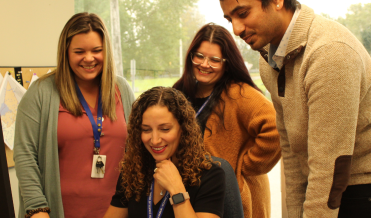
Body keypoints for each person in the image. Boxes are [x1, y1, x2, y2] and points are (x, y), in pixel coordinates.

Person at [220, 0, 371, 217]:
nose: (236, 29)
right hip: (322, 185)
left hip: (358, 191)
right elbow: (291, 152)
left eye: (243, 13)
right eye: (229, 19)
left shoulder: (330, 53)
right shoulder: (269, 58)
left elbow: (329, 170)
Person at [13, 12, 135, 218]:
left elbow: (137, 149)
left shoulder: (121, 88)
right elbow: (25, 155)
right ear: (66, 52)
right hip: (59, 212)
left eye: (97, 50)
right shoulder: (41, 92)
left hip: (118, 211)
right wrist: (37, 209)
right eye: (79, 51)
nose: (89, 58)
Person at [173, 23, 281, 218]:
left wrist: (240, 167)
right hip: (193, 197)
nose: (204, 64)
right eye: (199, 56)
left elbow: (276, 128)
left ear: (227, 63)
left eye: (214, 59)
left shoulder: (239, 94)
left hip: (232, 199)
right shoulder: (180, 93)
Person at [103, 86, 226, 218]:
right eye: (146, 130)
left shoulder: (210, 176)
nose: (154, 141)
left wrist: (176, 189)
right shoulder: (134, 170)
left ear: (183, 129)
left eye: (165, 129)